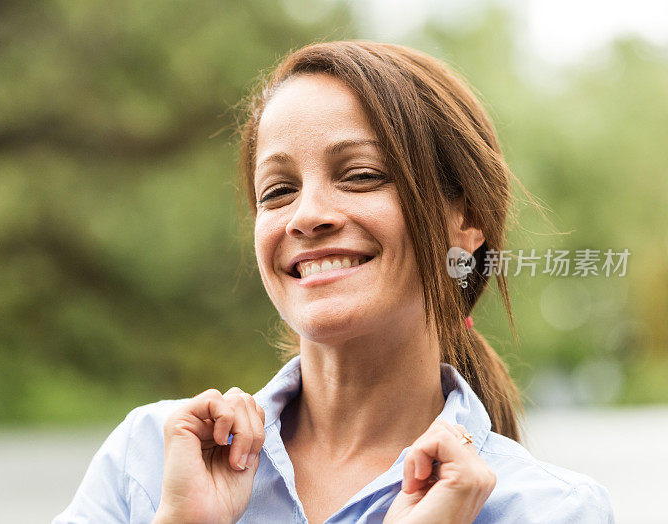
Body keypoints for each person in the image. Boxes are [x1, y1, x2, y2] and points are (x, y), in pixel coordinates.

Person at [53, 41, 613, 523]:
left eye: (361, 176)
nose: (306, 215)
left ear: (467, 223)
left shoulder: (549, 510)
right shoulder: (152, 458)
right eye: (278, 190)